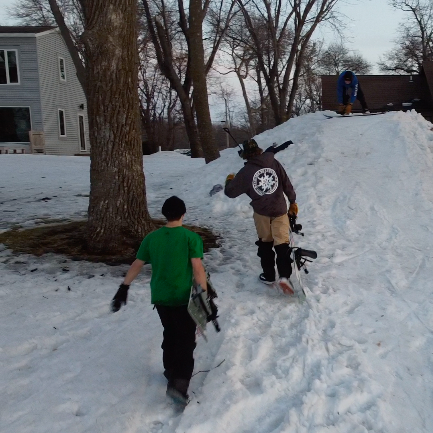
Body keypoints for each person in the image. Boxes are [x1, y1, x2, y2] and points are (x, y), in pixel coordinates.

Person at [110, 196, 207, 405]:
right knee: (186, 341)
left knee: (170, 332)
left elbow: (137, 263)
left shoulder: (152, 238)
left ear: (165, 214)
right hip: (183, 298)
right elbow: (197, 268)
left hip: (161, 297)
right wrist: (204, 295)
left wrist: (124, 287)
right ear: (183, 214)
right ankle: (178, 385)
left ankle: (170, 369)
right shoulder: (191, 238)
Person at [224, 138, 298, 294]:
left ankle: (269, 275)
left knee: (265, 244)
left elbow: (230, 192)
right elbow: (286, 182)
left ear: (245, 155)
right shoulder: (274, 162)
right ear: (258, 150)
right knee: (282, 243)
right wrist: (292, 201)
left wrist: (230, 180)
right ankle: (284, 276)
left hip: (262, 212)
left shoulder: (246, 172)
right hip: (279, 209)